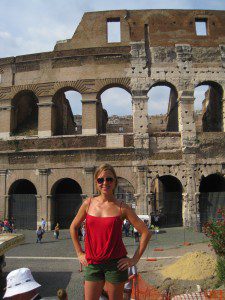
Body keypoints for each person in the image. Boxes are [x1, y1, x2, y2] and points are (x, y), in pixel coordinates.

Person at [70, 163, 151, 300]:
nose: (105, 183)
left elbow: (145, 232)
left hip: (115, 264)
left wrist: (134, 259)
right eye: (101, 180)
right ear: (96, 183)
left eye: (109, 179)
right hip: (93, 263)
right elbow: (73, 227)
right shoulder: (88, 203)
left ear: (115, 182)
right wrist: (79, 252)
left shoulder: (122, 208)